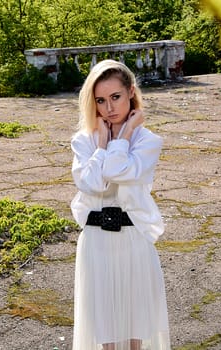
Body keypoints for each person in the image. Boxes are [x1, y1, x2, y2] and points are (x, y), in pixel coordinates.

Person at [70, 59, 171, 350]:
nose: (109, 108)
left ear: (131, 93)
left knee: (135, 329)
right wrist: (102, 145)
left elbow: (117, 172)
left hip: (133, 241)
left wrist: (124, 136)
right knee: (106, 335)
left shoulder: (148, 141)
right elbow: (90, 184)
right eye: (100, 100)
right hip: (96, 243)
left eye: (115, 97)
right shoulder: (84, 141)